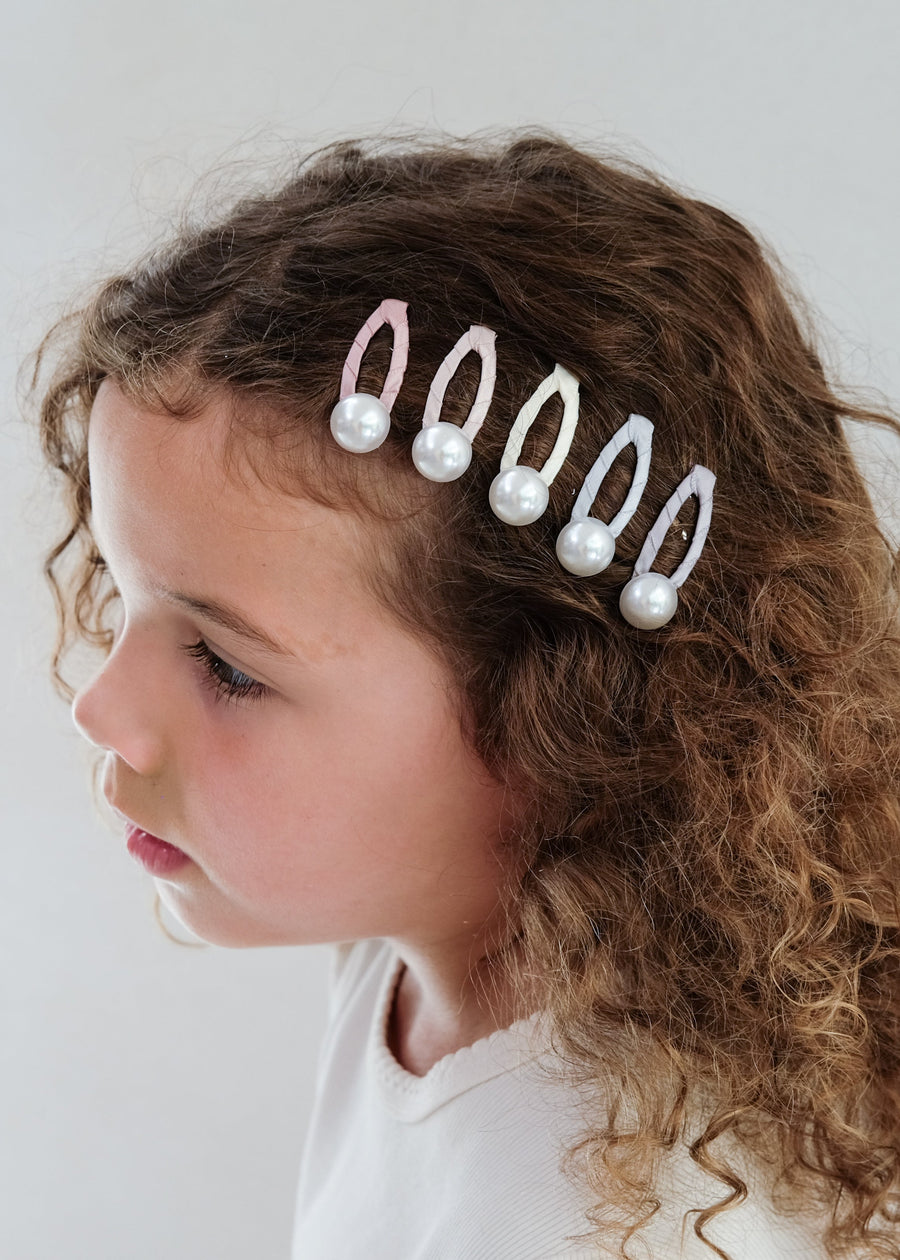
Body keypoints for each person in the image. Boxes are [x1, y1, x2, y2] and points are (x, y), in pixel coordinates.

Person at [29, 130, 900, 1259]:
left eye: (228, 664)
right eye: (120, 580)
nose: (99, 707)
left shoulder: (617, 1226)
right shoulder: (421, 951)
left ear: (572, 726)